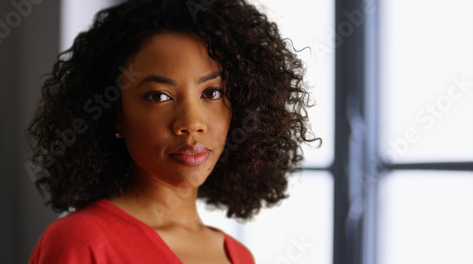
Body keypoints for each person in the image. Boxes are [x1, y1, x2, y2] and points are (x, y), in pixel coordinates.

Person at [28, 0, 320, 263]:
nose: (192, 123)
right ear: (116, 115)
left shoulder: (238, 256)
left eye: (213, 93)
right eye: (159, 96)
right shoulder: (81, 243)